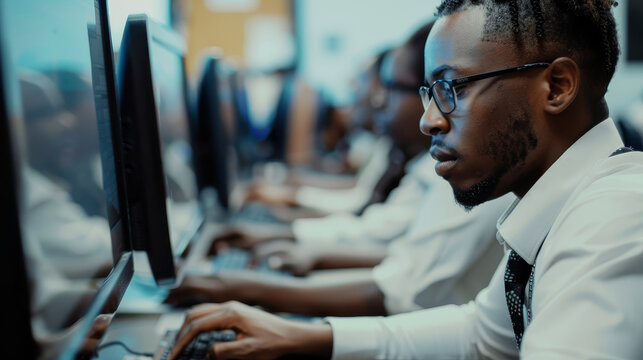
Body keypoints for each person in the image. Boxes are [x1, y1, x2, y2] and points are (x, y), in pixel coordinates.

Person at [168, 1, 643, 359]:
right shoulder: (558, 209)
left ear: (557, 87)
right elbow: (481, 333)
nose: (429, 121)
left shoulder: (615, 219)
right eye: (427, 93)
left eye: (451, 89)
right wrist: (303, 336)